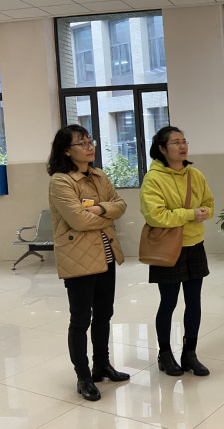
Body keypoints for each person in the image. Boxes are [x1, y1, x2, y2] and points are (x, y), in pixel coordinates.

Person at [47, 124, 129, 402]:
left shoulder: (99, 175)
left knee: (104, 314)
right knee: (81, 319)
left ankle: (102, 365)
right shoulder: (60, 181)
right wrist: (106, 215)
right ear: (66, 151)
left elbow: (120, 205)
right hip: (78, 258)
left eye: (90, 141)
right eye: (82, 143)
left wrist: (100, 208)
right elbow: (78, 220)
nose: (89, 147)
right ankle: (83, 377)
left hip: (106, 255)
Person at [140, 126, 215, 377]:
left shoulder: (196, 175)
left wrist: (204, 212)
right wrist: (190, 214)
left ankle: (189, 353)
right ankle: (164, 353)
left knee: (194, 302)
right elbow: (155, 215)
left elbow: (209, 203)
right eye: (175, 142)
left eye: (184, 141)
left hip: (195, 244)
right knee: (168, 302)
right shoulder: (153, 179)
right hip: (167, 248)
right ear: (162, 149)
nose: (182, 146)